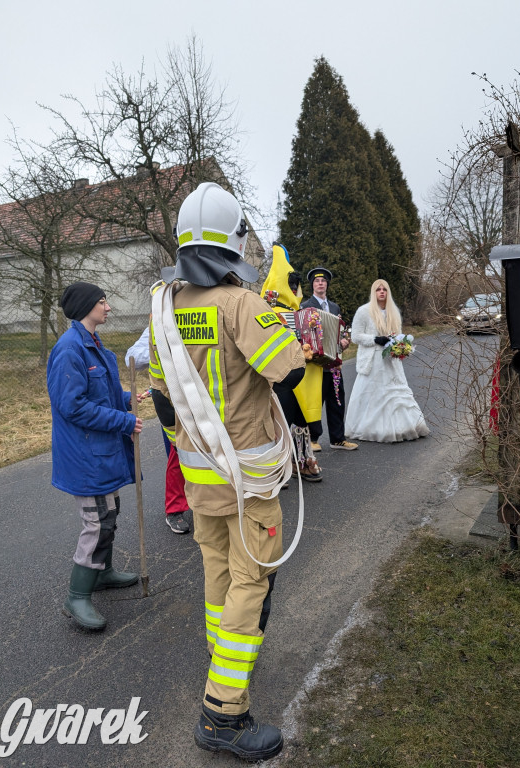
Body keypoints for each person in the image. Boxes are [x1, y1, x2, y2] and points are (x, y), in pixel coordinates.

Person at [148, 183, 306, 761]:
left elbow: (163, 400)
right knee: (250, 582)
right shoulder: (241, 304)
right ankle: (223, 714)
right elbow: (286, 372)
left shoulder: (167, 304)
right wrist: (291, 332)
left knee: (219, 574)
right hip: (248, 480)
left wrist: (185, 446)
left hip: (201, 476)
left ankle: (225, 669)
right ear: (232, 242)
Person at [47, 282, 142, 632]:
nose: (109, 307)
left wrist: (129, 397)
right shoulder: (70, 348)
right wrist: (124, 420)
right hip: (85, 454)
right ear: (87, 306)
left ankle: (102, 574)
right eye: (103, 302)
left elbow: (102, 390)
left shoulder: (94, 343)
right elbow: (71, 406)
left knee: (110, 514)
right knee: (97, 521)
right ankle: (77, 596)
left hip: (102, 451)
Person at [262, 242, 323, 483]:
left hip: (302, 374)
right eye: (291, 285)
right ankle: (279, 467)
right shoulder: (265, 309)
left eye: (296, 285)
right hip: (278, 377)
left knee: (301, 418)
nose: (295, 289)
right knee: (281, 418)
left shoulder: (304, 312)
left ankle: (302, 460)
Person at [345, 279, 430, 442]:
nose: (381, 292)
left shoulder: (394, 312)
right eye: (378, 289)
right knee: (373, 394)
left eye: (384, 289)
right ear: (373, 292)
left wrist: (401, 347)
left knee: (397, 393)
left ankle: (404, 426)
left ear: (388, 292)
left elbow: (398, 334)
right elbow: (355, 336)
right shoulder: (363, 311)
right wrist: (375, 339)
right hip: (373, 359)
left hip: (391, 360)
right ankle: (372, 428)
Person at [125, 328, 190, 534]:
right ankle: (175, 510)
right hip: (171, 398)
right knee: (178, 453)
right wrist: (168, 350)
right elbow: (132, 357)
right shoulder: (160, 319)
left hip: (208, 395)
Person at [300, 267, 358, 452]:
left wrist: (344, 341)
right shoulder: (305, 306)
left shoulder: (334, 307)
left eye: (323, 281)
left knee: (337, 399)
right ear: (312, 285)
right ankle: (313, 439)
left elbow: (341, 330)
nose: (320, 283)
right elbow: (301, 334)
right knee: (314, 401)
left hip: (333, 363)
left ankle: (338, 439)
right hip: (315, 364)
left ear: (327, 284)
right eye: (317, 281)